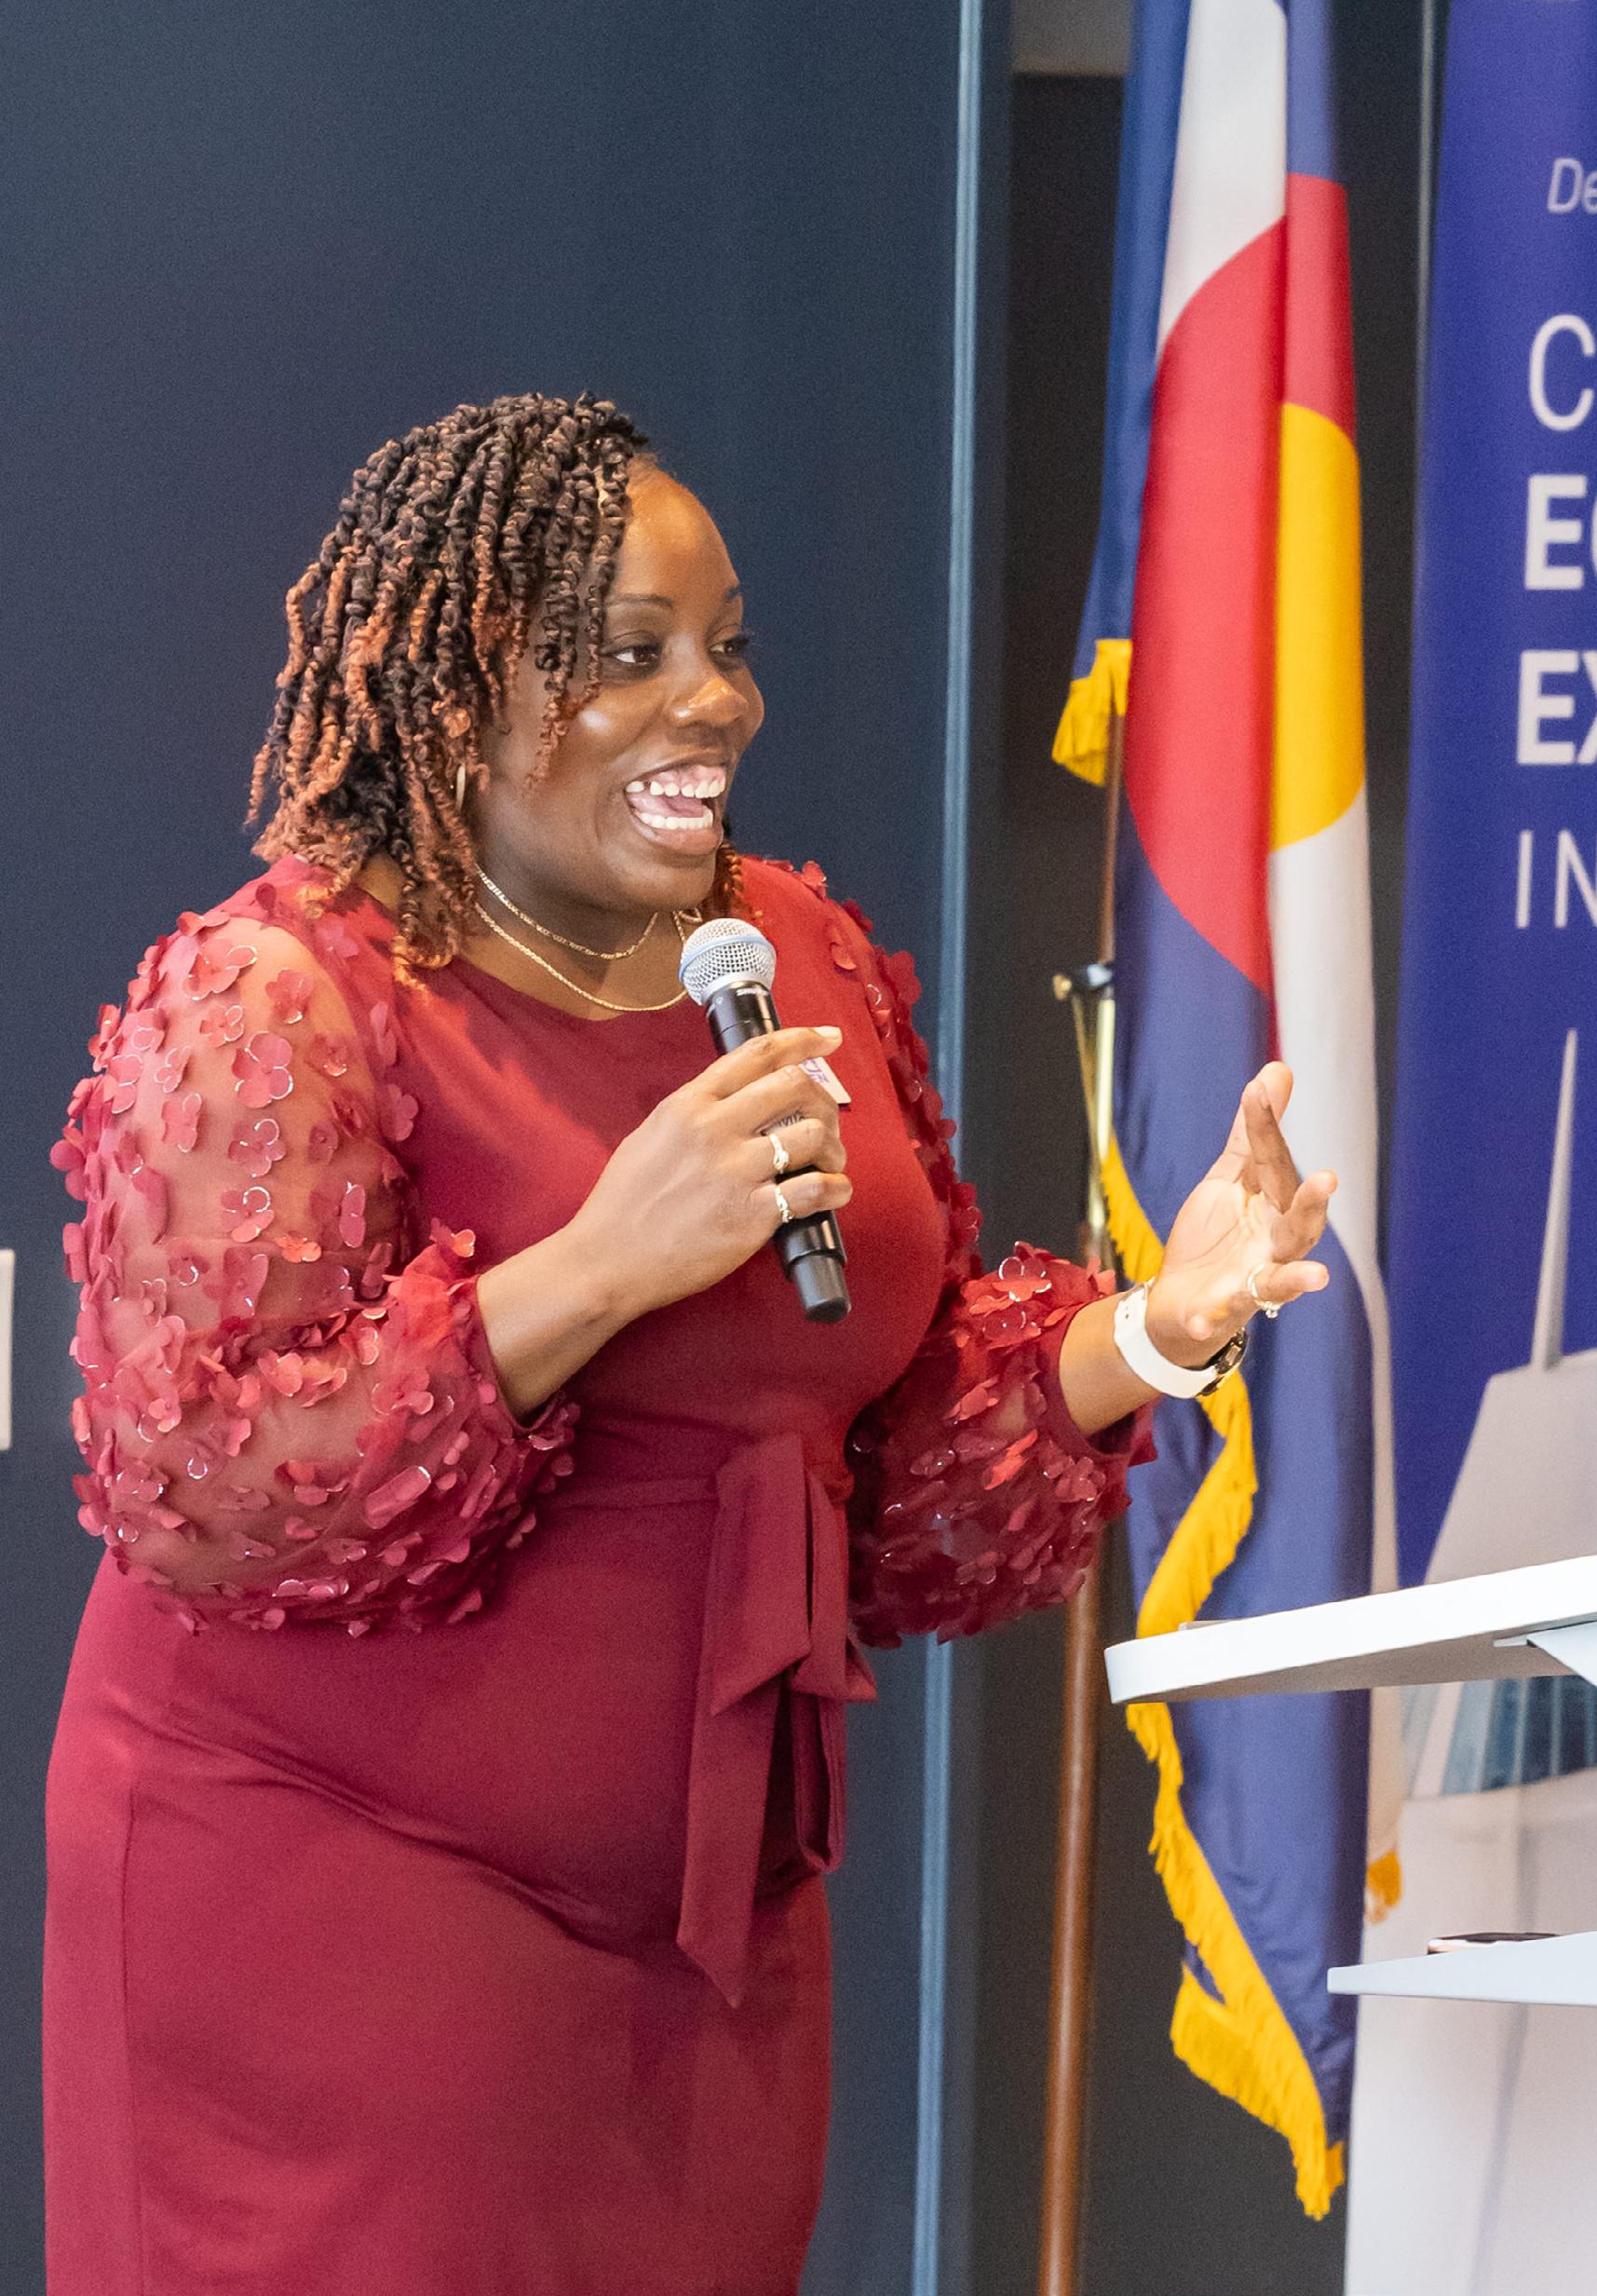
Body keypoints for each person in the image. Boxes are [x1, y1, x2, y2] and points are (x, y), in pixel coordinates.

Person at [45, 394, 1337, 2296]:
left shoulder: (791, 955)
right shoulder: (282, 989)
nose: (712, 704)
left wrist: (1153, 1330)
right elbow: (208, 1486)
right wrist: (601, 1266)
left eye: (723, 647)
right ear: (461, 692)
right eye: (629, 657)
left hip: (707, 1938)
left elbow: (874, 1474)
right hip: (336, 1895)